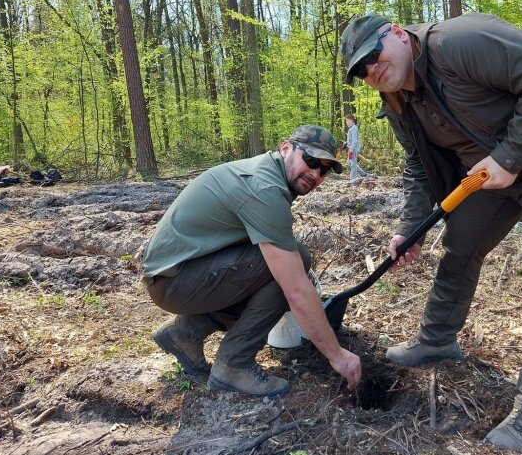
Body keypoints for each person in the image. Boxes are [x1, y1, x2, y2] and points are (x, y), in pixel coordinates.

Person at [340, 13, 522, 449]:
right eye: (361, 72)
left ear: (397, 33)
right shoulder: (399, 101)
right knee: (460, 245)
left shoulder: (458, 42)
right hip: (489, 173)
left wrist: (509, 158)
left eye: (373, 56)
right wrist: (410, 228)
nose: (372, 71)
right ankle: (436, 339)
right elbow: (418, 165)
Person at [142, 125, 362, 398]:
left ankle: (186, 333)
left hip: (180, 273)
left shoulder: (267, 174)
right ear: (285, 148)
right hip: (173, 281)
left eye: (324, 169)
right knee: (290, 266)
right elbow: (294, 288)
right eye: (311, 160)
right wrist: (337, 356)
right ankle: (234, 364)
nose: (316, 173)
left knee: (283, 262)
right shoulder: (264, 188)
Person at [345, 114, 369, 182]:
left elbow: (355, 141)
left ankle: (353, 179)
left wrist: (351, 151)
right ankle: (363, 174)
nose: (346, 122)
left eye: (346, 120)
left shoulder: (354, 128)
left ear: (350, 120)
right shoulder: (352, 128)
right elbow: (351, 140)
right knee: (350, 162)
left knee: (352, 164)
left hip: (354, 149)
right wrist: (346, 143)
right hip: (352, 148)